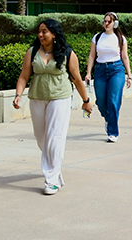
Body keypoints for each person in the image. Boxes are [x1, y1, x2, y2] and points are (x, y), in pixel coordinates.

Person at [13, 19, 93, 195]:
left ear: (54, 34)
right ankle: (56, 169)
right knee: (42, 139)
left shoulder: (67, 53)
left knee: (55, 138)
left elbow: (77, 79)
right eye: (39, 31)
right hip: (37, 98)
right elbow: (23, 76)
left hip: (60, 98)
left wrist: (86, 100)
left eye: (45, 31)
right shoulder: (32, 51)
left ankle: (51, 180)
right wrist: (18, 95)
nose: (41, 35)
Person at [85, 12, 132, 143]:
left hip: (116, 70)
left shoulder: (121, 38)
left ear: (115, 24)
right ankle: (108, 118)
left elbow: (125, 57)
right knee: (100, 101)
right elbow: (92, 56)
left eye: (109, 22)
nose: (106, 24)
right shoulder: (97, 37)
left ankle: (113, 132)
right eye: (104, 21)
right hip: (100, 70)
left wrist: (129, 75)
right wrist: (88, 72)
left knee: (113, 100)